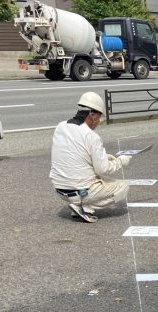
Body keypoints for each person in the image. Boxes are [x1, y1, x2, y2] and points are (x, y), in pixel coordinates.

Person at [50, 91, 130, 223]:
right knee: (123, 187)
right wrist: (120, 162)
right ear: (92, 115)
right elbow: (103, 169)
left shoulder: (61, 127)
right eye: (99, 116)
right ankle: (85, 207)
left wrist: (105, 157)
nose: (99, 121)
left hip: (59, 189)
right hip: (80, 192)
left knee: (96, 177)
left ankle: (77, 205)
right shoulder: (91, 136)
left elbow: (76, 153)